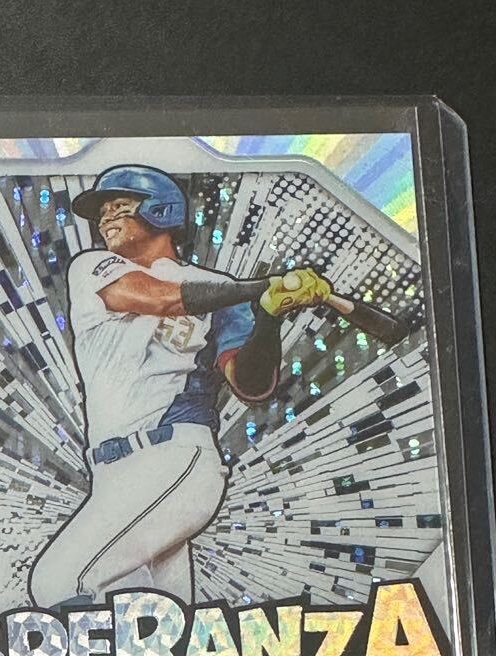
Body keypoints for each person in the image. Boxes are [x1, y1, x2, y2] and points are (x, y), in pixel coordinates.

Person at [29, 165, 330, 608]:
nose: (106, 217)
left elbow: (250, 385)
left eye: (120, 206)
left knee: (58, 581)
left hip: (173, 457)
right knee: (149, 619)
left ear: (161, 210)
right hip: (112, 477)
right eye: (103, 211)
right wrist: (261, 287)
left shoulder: (223, 290)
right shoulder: (93, 267)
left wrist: (268, 317)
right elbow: (159, 296)